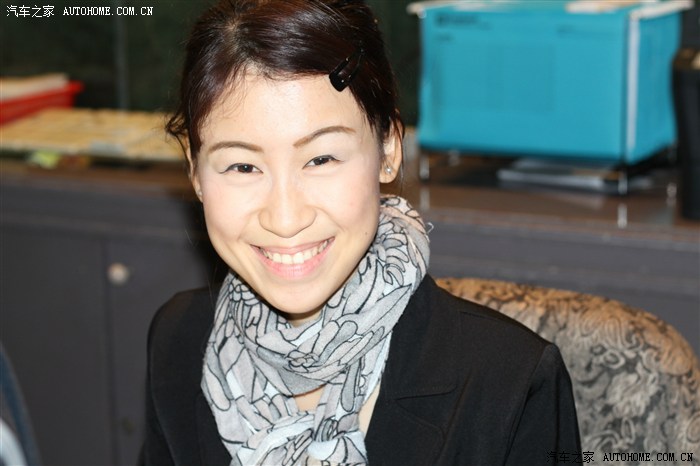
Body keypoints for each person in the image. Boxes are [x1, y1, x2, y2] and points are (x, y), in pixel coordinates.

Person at [142, 1, 581, 464]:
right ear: (195, 171)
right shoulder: (177, 340)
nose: (285, 218)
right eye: (243, 166)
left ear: (388, 150)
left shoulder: (510, 383)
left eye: (321, 159)